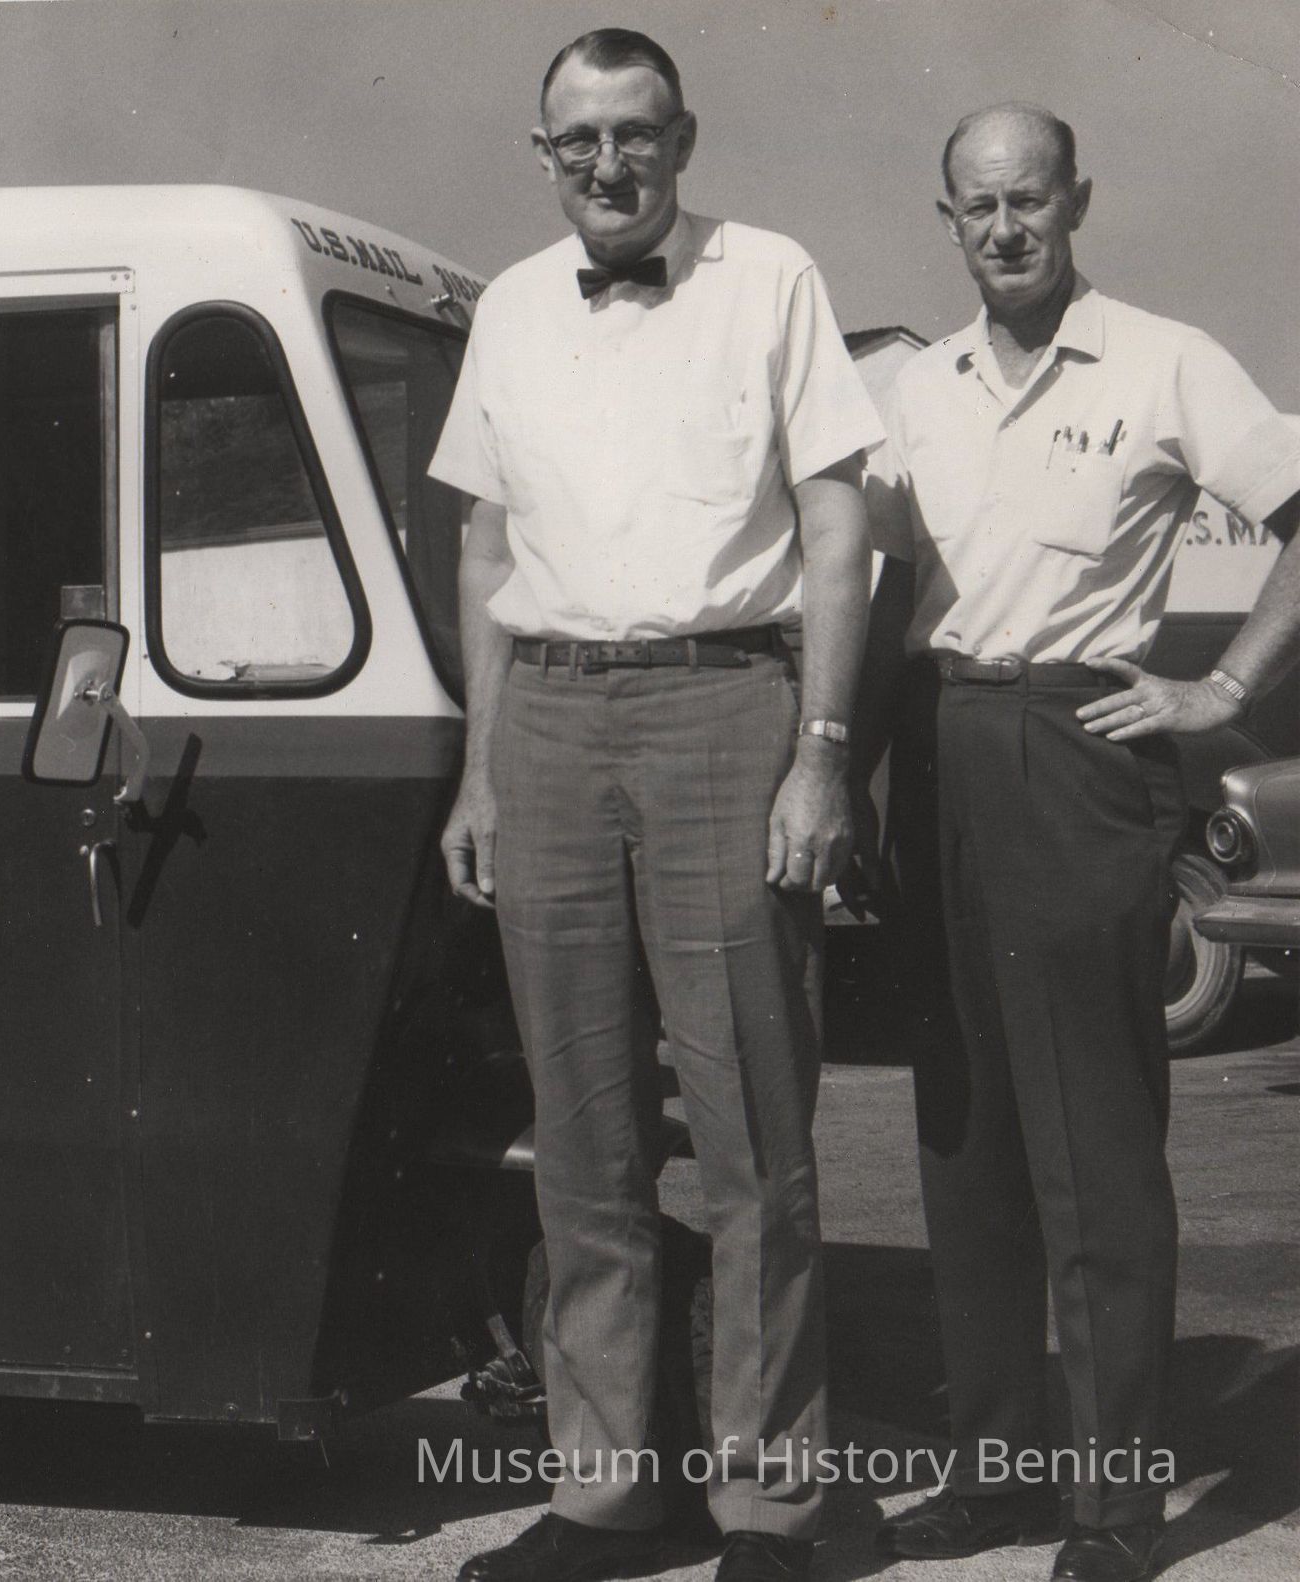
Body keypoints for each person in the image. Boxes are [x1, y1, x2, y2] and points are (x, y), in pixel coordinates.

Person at [431, 28, 883, 1582]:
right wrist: (483, 767)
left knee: (756, 1134)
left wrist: (821, 752)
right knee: (581, 1134)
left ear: (683, 141)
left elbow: (837, 532)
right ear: (542, 154)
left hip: (724, 708)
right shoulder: (508, 308)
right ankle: (608, 1493)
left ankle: (769, 1507)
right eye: (579, 141)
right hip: (549, 723)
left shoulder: (771, 279)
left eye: (636, 134)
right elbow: (485, 552)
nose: (608, 165)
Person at [858, 103, 1300, 1582]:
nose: (1005, 229)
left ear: (1077, 202)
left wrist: (1222, 689)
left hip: (1077, 748)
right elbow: (885, 583)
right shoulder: (918, 387)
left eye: (1030, 200)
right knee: (966, 1138)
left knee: (1095, 1151)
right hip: (936, 747)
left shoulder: (1166, 361)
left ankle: (1112, 1509)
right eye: (978, 206)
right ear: (949, 219)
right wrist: (849, 769)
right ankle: (995, 1476)